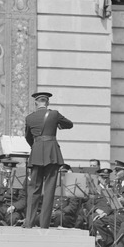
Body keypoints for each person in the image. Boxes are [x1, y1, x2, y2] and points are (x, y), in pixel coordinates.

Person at [24, 92, 73, 229]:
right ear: (47, 102)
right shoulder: (54, 114)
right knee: (49, 189)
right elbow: (69, 124)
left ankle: (29, 222)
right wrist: (57, 124)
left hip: (36, 153)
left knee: (34, 189)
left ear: (36, 103)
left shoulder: (29, 118)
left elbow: (28, 138)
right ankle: (44, 224)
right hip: (52, 154)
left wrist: (37, 146)